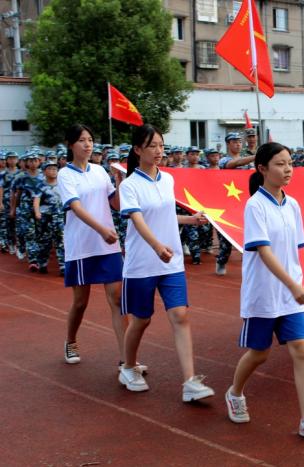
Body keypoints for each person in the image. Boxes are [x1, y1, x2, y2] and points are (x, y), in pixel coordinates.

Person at [225, 142, 304, 445]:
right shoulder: (254, 205)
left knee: (301, 349)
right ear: (262, 169)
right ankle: (235, 393)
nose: (287, 169)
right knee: (259, 353)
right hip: (264, 293)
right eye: (280, 164)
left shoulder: (293, 205)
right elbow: (264, 251)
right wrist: (293, 284)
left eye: (290, 163)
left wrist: (296, 283)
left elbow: (293, 252)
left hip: (289, 294)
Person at [118, 124, 214, 401]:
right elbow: (138, 220)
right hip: (142, 263)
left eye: (161, 145)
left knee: (180, 315)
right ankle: (128, 367)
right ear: (137, 150)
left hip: (171, 262)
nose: (159, 151)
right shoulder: (130, 185)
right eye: (152, 146)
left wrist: (190, 219)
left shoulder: (167, 179)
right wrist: (157, 246)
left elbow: (164, 216)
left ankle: (190, 382)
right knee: (141, 320)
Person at [57, 124, 129, 366]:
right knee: (80, 302)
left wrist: (120, 183)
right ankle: (70, 340)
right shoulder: (65, 174)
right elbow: (76, 208)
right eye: (81, 140)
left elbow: (117, 204)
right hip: (82, 246)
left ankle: (126, 359)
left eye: (90, 140)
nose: (88, 144)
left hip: (107, 245)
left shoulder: (100, 172)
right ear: (70, 145)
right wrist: (101, 230)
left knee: (118, 299)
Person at [32, 161, 65, 275]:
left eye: (55, 169)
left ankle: (63, 266)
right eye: (50, 169)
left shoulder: (62, 184)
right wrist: (37, 212)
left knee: (61, 241)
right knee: (44, 242)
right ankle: (42, 264)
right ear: (45, 171)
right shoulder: (40, 185)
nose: (53, 171)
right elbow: (36, 200)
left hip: (59, 217)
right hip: (45, 217)